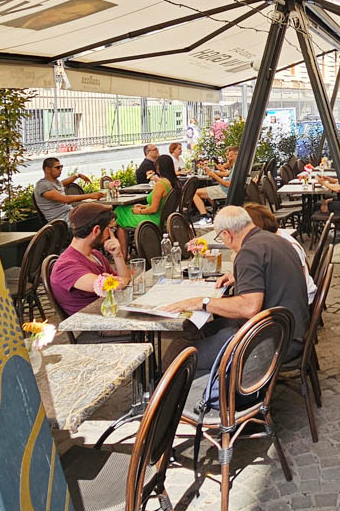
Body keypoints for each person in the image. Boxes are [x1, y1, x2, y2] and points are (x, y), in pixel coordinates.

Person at [162, 205, 309, 376]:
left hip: (274, 341)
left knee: (182, 357)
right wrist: (239, 277)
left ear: (227, 234)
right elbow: (269, 276)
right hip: (292, 330)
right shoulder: (276, 240)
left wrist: (202, 302)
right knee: (197, 333)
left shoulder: (249, 252)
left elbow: (249, 307)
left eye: (220, 237)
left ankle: (189, 397)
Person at [49, 202, 132, 316]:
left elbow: (123, 280)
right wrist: (117, 282)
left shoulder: (95, 255)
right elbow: (110, 285)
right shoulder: (66, 266)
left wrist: (118, 255)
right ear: (96, 230)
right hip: (94, 325)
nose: (111, 234)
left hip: (111, 314)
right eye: (110, 229)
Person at [241, 202, 316, 303]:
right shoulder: (278, 237)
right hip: (297, 295)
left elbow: (293, 283)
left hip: (298, 300)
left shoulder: (283, 245)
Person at [34, 156, 100, 225]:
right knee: (99, 214)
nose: (60, 169)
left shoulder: (55, 183)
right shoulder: (43, 185)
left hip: (70, 213)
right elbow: (65, 199)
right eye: (57, 167)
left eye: (61, 167)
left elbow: (63, 183)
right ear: (47, 169)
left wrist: (78, 175)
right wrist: (90, 196)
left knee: (100, 212)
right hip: (61, 220)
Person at [129, 155, 176, 232]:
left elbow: (153, 209)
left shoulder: (160, 184)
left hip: (154, 219)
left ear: (159, 167)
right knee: (123, 212)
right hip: (164, 218)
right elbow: (161, 203)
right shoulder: (172, 182)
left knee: (120, 211)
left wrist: (140, 211)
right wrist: (144, 206)